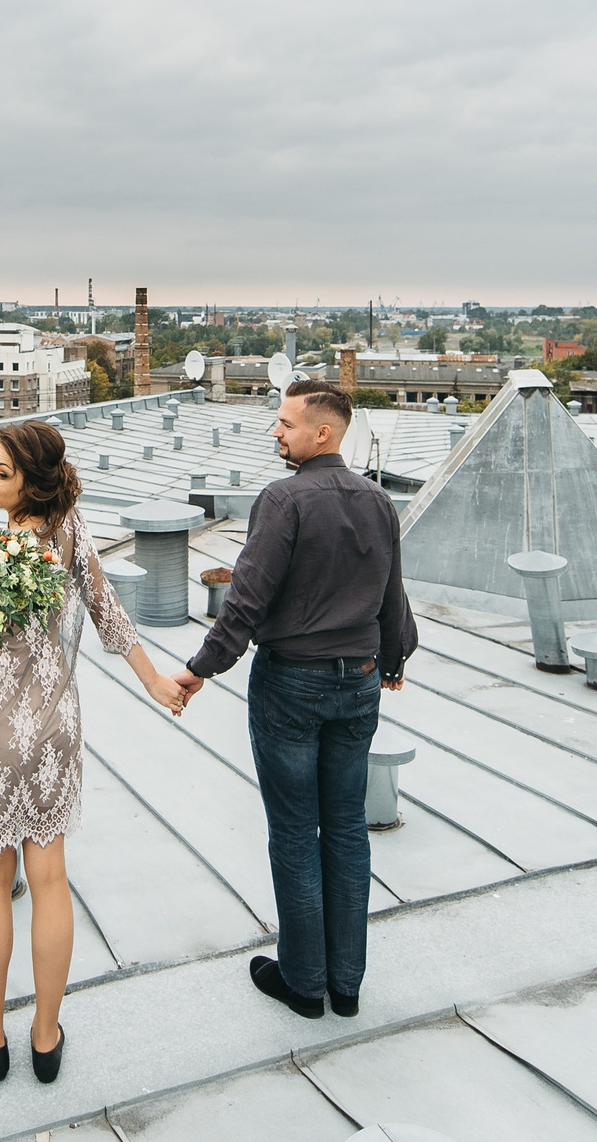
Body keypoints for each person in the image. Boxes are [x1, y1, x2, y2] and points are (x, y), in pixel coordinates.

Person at [0, 419, 189, 1086]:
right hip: (52, 728)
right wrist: (155, 682)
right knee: (49, 879)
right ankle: (46, 1038)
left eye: (1, 472)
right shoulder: (68, 530)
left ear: (32, 482)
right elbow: (108, 612)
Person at [170, 377, 415, 1021]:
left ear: (322, 433)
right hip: (359, 682)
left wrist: (200, 669)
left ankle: (305, 983)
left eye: (285, 423)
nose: (275, 432)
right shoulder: (378, 500)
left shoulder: (283, 500)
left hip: (292, 685)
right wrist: (393, 658)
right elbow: (392, 592)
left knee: (296, 832)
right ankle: (347, 984)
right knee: (347, 829)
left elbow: (247, 599)